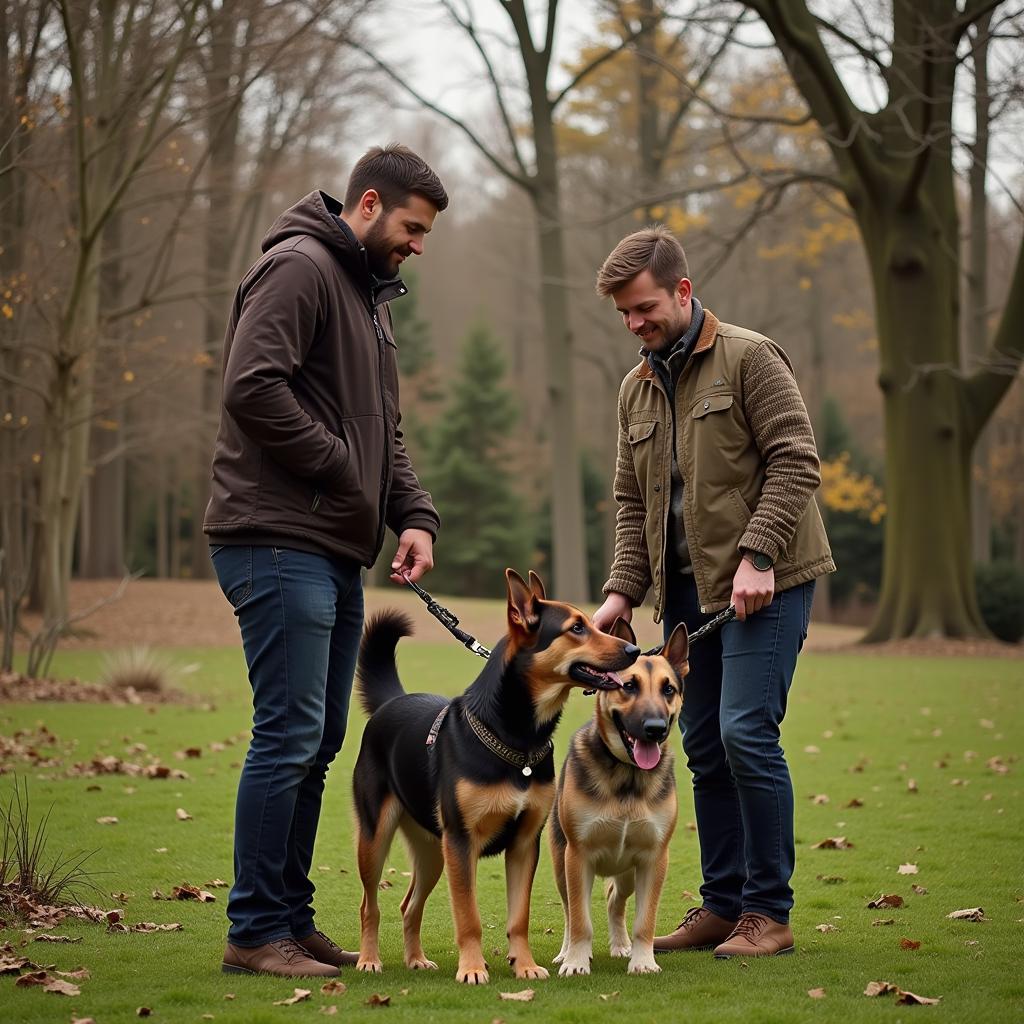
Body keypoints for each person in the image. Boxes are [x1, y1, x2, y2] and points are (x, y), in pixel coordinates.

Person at [203, 144, 448, 977]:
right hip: (274, 538)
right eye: (413, 227)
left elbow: (385, 432)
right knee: (290, 733)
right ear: (370, 203)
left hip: (331, 547)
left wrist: (411, 511)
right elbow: (251, 387)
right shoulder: (300, 268)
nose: (418, 245)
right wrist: (346, 470)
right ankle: (254, 931)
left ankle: (290, 919)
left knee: (321, 735)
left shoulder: (367, 296)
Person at [592, 225, 835, 959]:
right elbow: (634, 504)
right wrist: (619, 592)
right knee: (699, 746)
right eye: (625, 315)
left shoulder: (751, 358)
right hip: (687, 598)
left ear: (683, 292)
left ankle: (771, 913)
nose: (636, 325)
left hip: (771, 583)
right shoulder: (636, 389)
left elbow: (798, 461)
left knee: (745, 735)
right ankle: (723, 907)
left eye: (645, 308)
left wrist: (758, 554)